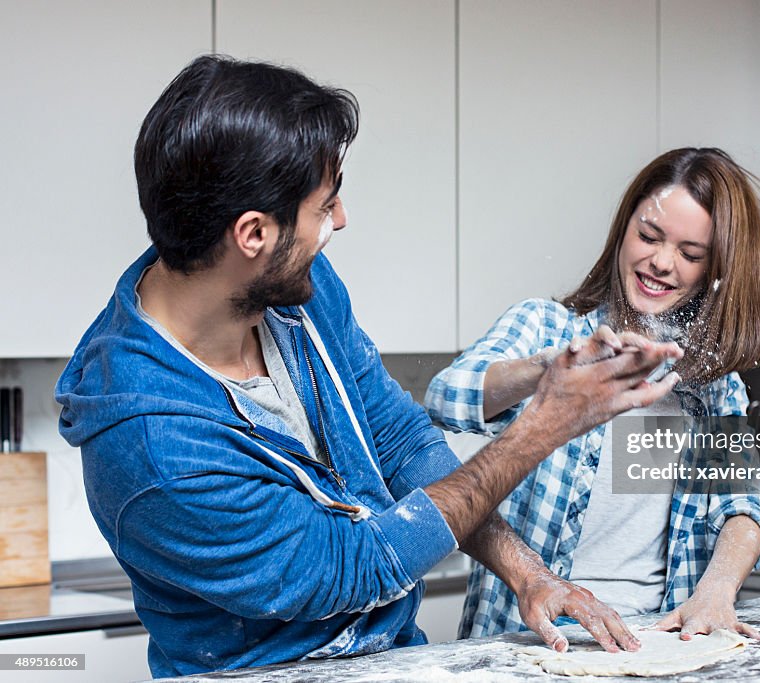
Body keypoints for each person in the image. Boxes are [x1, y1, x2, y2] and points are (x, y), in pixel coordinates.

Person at [54, 56, 685, 678]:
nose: (342, 220)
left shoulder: (295, 290)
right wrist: (542, 428)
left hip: (390, 660)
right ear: (253, 234)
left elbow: (396, 439)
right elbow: (355, 567)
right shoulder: (152, 446)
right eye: (325, 207)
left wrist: (529, 575)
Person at [425, 147, 760, 643]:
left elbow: (743, 506)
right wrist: (553, 367)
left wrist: (717, 590)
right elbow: (447, 397)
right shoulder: (545, 326)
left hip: (656, 639)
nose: (660, 262)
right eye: (648, 236)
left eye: (690, 254)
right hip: (530, 642)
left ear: (716, 269)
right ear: (623, 230)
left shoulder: (711, 384)